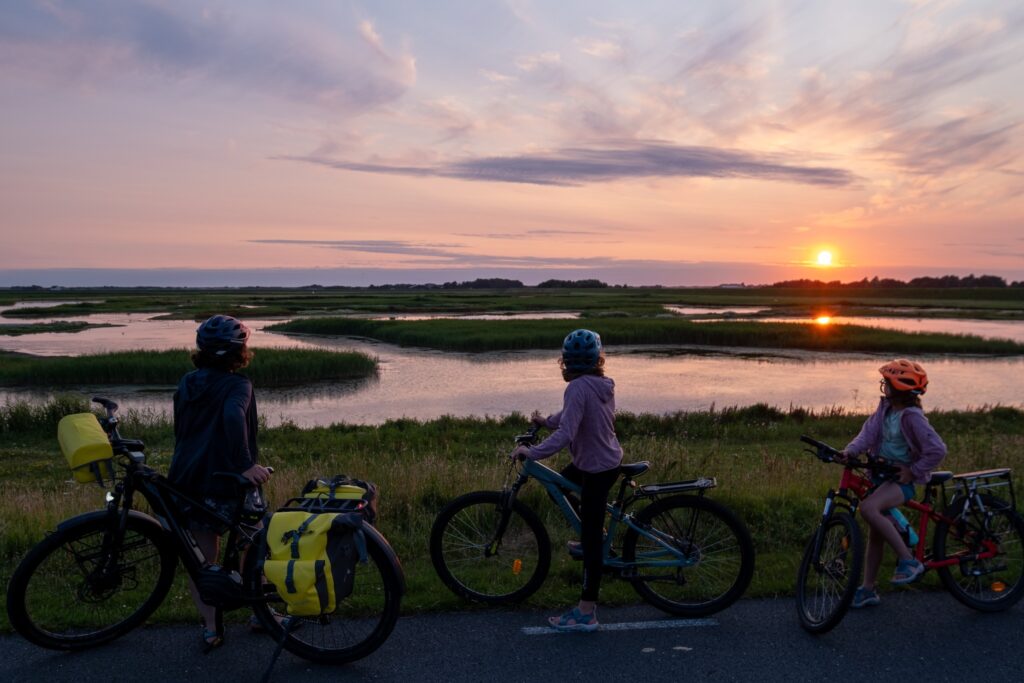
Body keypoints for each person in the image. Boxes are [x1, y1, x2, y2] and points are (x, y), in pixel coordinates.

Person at [168, 314, 272, 651]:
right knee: (256, 544)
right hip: (225, 482)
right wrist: (245, 465)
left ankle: (212, 628)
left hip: (186, 478)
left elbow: (181, 430)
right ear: (238, 351)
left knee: (204, 560)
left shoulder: (186, 382)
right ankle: (261, 614)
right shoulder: (238, 384)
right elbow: (231, 417)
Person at [511, 329, 623, 632]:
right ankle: (594, 529)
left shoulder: (577, 387)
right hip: (601, 461)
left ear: (565, 363)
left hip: (596, 469)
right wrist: (546, 421)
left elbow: (567, 434)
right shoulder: (600, 384)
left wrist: (532, 452)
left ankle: (587, 612)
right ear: (598, 360)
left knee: (591, 547)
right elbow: (571, 415)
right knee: (558, 484)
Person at [839, 359, 947, 608]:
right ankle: (868, 589)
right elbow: (867, 434)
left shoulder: (911, 417)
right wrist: (850, 452)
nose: (883, 386)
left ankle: (908, 561)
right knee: (875, 533)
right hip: (881, 478)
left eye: (886, 382)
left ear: (897, 387)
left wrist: (914, 471)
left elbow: (937, 449)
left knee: (868, 509)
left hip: (901, 482)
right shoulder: (885, 409)